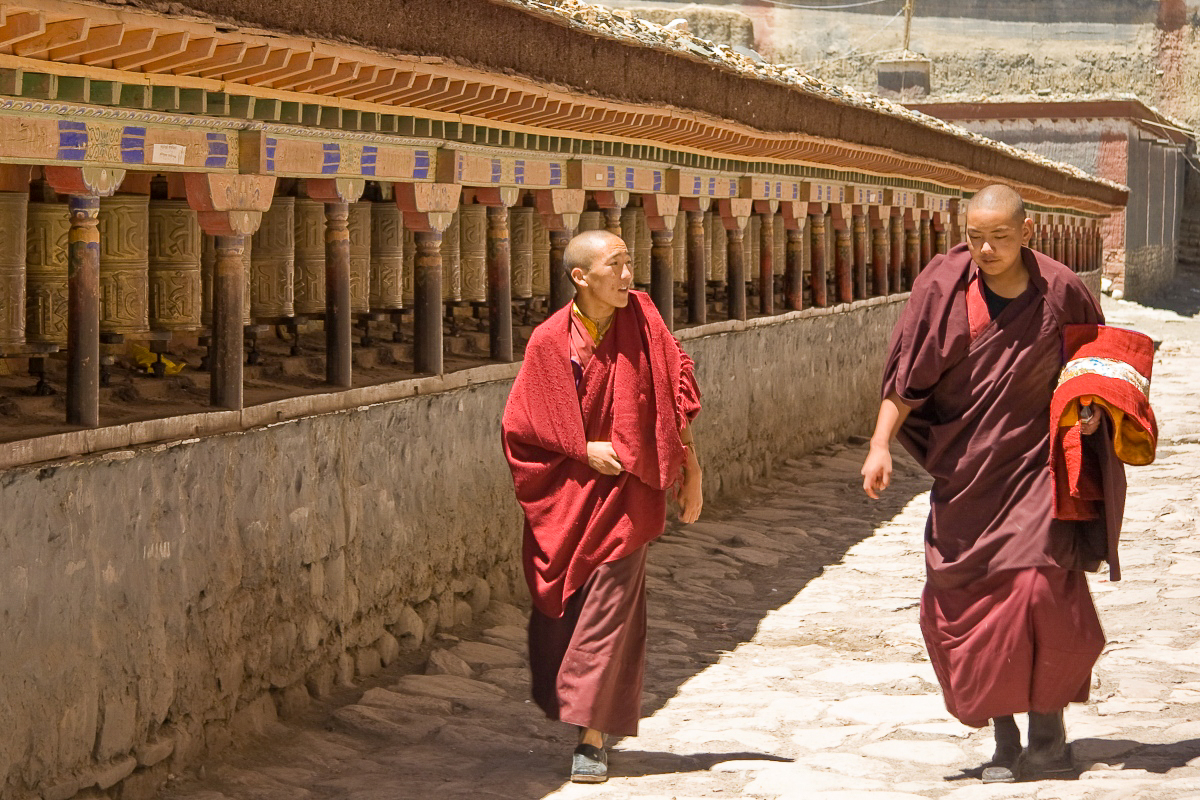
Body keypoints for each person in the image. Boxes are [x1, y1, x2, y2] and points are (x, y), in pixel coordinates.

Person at [860, 185, 1123, 783]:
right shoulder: (944, 289)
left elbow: (1096, 364)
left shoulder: (1060, 290)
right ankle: (1007, 739)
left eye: (1000, 237)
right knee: (973, 600)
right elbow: (908, 379)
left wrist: (1091, 408)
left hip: (1037, 467)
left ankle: (1050, 737)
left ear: (1027, 231)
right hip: (968, 475)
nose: (985, 248)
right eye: (975, 236)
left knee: (1037, 589)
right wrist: (879, 445)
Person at [502, 229, 703, 783]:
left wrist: (692, 469)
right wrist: (581, 447)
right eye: (614, 265)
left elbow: (671, 395)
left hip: (628, 495)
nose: (626, 274)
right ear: (580, 277)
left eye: (628, 262)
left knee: (612, 611)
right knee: (561, 612)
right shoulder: (549, 341)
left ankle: (592, 738)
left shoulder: (643, 319)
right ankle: (572, 702)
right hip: (571, 494)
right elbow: (521, 423)